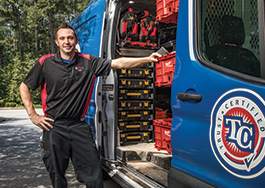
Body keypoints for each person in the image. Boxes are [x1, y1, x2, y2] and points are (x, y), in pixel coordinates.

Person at [19, 22, 161, 188]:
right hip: (53, 126)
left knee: (94, 174)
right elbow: (24, 86)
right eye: (62, 38)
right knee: (57, 176)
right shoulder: (46, 62)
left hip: (78, 126)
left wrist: (147, 58)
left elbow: (118, 63)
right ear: (57, 42)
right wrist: (33, 116)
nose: (67, 41)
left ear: (76, 40)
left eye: (70, 38)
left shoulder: (88, 62)